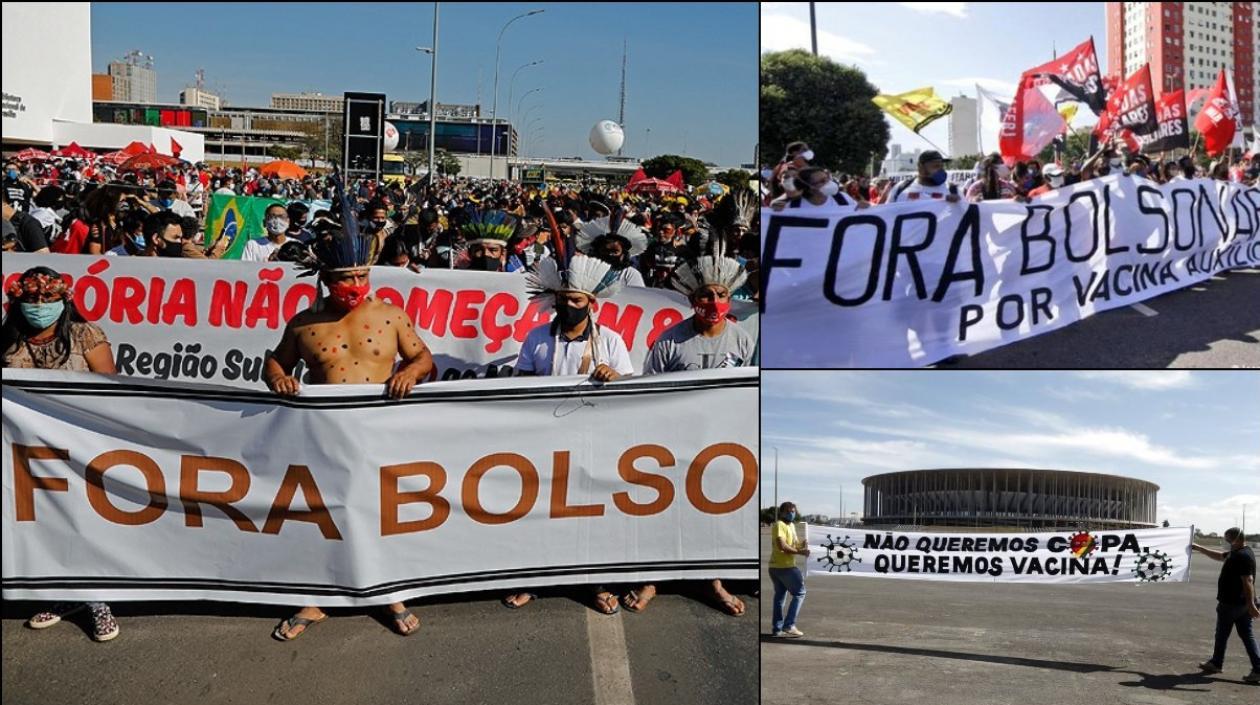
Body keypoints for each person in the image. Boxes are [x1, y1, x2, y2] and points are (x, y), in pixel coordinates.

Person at [263, 180, 433, 641]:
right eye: (346, 279)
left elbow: (423, 357)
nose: (356, 286)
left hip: (380, 431)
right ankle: (318, 596)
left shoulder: (391, 315)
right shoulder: (304, 324)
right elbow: (275, 361)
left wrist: (410, 372)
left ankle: (388, 592)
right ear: (326, 279)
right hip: (324, 433)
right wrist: (279, 378)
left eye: (362, 277)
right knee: (325, 514)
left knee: (380, 512)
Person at [503, 252, 632, 615]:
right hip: (544, 440)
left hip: (594, 440)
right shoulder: (536, 338)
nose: (568, 306)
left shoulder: (611, 342)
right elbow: (522, 386)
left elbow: (631, 392)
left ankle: (595, 583)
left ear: (591, 303)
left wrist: (614, 378)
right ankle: (535, 579)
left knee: (591, 513)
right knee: (541, 510)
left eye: (576, 301)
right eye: (563, 300)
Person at [629, 244, 753, 616]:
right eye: (706, 295)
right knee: (662, 512)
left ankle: (711, 580)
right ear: (692, 299)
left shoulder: (743, 340)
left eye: (721, 295)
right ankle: (652, 578)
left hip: (721, 445)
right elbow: (648, 392)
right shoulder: (669, 340)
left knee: (712, 514)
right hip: (672, 445)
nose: (714, 302)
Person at [4, 267, 120, 642]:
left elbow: (110, 389)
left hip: (81, 446)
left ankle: (97, 598)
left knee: (83, 519)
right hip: (26, 450)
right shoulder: (7, 340)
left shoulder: (86, 335)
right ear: (17, 301)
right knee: (45, 522)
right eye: (32, 298)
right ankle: (63, 592)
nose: (40, 305)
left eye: (48, 298)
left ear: (63, 300)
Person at [1192, 527, 1260, 683]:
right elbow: (1220, 556)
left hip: (1232, 604)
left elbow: (1248, 581)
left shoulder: (1242, 556)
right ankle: (1257, 668)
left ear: (1236, 539)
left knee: (1222, 634)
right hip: (1239, 604)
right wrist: (1199, 548)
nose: (1226, 541)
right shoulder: (1238, 552)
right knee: (1246, 635)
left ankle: (1217, 663)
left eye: (1228, 539)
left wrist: (1251, 604)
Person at [576, 210, 649, 287]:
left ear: (623, 254)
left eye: (614, 251)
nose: (610, 254)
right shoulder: (584, 270)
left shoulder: (630, 274)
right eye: (605, 251)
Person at [769, 502, 809, 638]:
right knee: (800, 593)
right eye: (788, 511)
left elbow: (794, 544)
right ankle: (789, 625)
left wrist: (802, 544)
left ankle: (777, 629)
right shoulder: (779, 525)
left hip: (776, 567)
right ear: (781, 512)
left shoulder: (791, 526)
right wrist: (800, 552)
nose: (791, 514)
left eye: (793, 511)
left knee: (780, 598)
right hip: (784, 567)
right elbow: (782, 546)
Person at [888, 151, 961, 203]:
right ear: (921, 167)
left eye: (942, 166)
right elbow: (887, 215)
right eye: (936, 166)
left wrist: (957, 204)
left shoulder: (953, 190)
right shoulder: (900, 188)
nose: (941, 170)